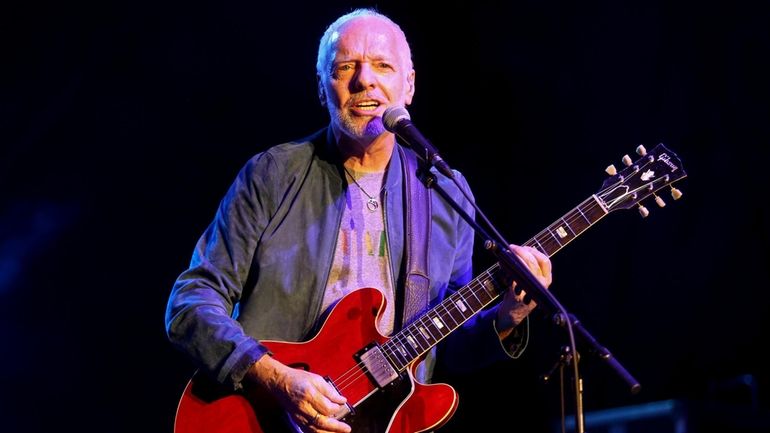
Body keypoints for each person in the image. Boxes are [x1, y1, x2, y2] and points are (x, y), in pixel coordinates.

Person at [165, 7, 552, 433]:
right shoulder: (272, 174)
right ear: (321, 88)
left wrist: (506, 316)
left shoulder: (444, 191)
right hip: (262, 416)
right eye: (346, 66)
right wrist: (276, 378)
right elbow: (191, 301)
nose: (364, 80)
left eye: (382, 66)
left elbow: (446, 345)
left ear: (409, 85)